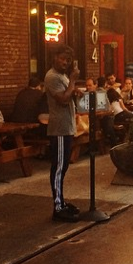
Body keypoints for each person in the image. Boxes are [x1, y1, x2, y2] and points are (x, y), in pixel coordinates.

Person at [44, 44, 82, 222]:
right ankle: (58, 206)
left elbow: (68, 95)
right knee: (59, 167)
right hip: (59, 128)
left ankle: (62, 201)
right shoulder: (52, 76)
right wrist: (73, 81)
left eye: (68, 60)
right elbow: (62, 100)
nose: (66, 62)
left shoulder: (62, 77)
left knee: (64, 166)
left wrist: (75, 91)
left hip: (67, 127)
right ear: (55, 57)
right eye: (63, 58)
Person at [85, 77, 118, 147]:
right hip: (93, 117)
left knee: (108, 128)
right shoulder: (85, 95)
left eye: (90, 85)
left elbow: (106, 110)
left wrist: (97, 113)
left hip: (106, 116)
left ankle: (114, 147)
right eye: (87, 85)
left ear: (95, 85)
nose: (88, 87)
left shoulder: (99, 95)